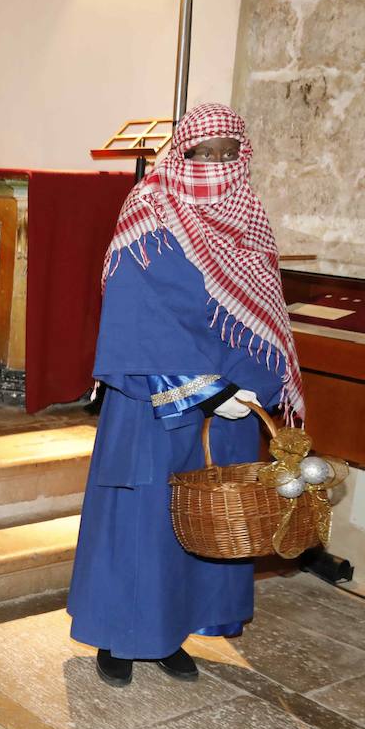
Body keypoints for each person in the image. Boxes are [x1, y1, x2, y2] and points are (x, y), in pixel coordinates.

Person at [67, 103, 305, 687]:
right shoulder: (149, 209)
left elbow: (264, 314)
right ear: (184, 154)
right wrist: (206, 389)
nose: (218, 166)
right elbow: (136, 311)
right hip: (157, 397)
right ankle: (119, 638)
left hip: (232, 402)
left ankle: (172, 632)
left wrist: (254, 383)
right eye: (206, 153)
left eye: (230, 153)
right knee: (140, 520)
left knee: (204, 525)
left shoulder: (249, 217)